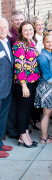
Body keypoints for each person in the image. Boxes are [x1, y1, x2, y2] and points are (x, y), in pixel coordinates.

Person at [12, 21, 40, 148]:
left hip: (33, 81)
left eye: (30, 29)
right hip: (24, 83)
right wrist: (24, 86)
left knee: (28, 110)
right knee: (23, 110)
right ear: (21, 32)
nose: (29, 32)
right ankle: (22, 136)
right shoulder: (19, 45)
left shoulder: (30, 42)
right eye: (26, 30)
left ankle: (26, 134)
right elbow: (19, 67)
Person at [34, 32, 52, 144]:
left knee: (48, 113)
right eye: (47, 42)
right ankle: (43, 138)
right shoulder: (43, 56)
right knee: (46, 113)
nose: (50, 43)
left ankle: (45, 136)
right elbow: (46, 74)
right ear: (43, 43)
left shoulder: (51, 55)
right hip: (46, 86)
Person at [0, 18, 14, 158]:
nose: (3, 29)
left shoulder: (7, 42)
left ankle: (0, 144)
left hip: (7, 87)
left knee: (2, 117)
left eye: (5, 27)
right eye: (0, 27)